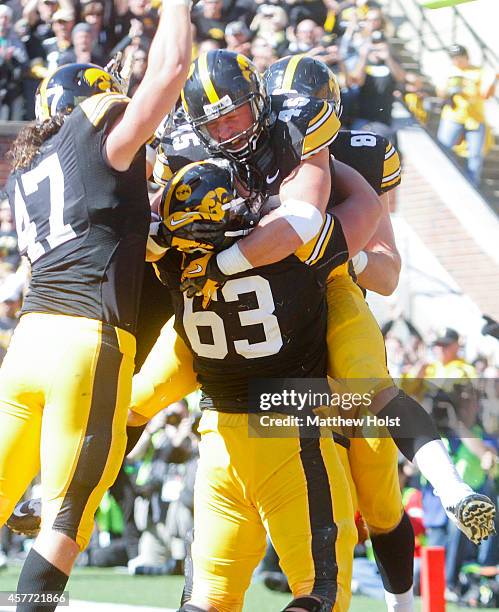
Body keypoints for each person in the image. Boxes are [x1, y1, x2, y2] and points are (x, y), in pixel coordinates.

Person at [0, 0, 192, 607]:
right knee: (66, 520)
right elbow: (171, 72)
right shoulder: (98, 137)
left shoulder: (26, 170)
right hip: (87, 343)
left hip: (27, 345)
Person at [437, 44, 498, 187]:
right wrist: (450, 89)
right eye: (454, 58)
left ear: (467, 57)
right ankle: (445, 180)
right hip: (453, 116)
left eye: (459, 58)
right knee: (443, 149)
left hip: (475, 119)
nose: (457, 61)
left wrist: (493, 80)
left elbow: (485, 95)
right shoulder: (449, 71)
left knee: (475, 156)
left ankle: (471, 185)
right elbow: (440, 93)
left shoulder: (479, 72)